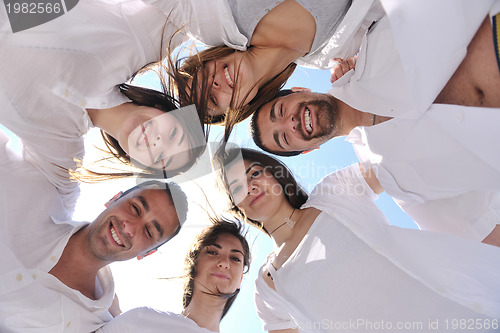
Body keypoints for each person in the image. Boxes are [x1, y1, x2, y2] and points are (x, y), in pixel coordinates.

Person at [248, 0, 500, 243]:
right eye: (283, 137)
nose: (289, 123)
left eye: (280, 111)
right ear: (309, 149)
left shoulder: (370, 42)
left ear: (299, 89)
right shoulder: (393, 176)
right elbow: (479, 232)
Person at [216, 147, 500, 332]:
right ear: (238, 207)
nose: (251, 186)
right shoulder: (268, 285)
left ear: (275, 173)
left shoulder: (332, 193)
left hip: (466, 312)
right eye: (238, 187)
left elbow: (393, 160)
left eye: (254, 173)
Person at [0, 0, 207, 213]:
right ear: (161, 108)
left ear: (137, 163)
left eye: (162, 158)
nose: (157, 143)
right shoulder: (135, 44)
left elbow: (60, 212)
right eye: (173, 134)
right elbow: (196, 15)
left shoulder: (61, 146)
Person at [0, 129, 189, 332]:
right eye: (135, 208)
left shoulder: (93, 326)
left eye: (149, 232)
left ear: (147, 253)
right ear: (113, 198)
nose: (130, 227)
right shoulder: (37, 186)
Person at [160, 0, 381, 129]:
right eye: (212, 98)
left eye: (202, 74)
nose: (214, 83)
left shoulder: (227, 13)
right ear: (239, 108)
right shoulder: (333, 54)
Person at [96, 219, 251, 333]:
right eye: (212, 252)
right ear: (194, 264)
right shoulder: (140, 320)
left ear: (240, 281)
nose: (224, 263)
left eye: (235, 258)